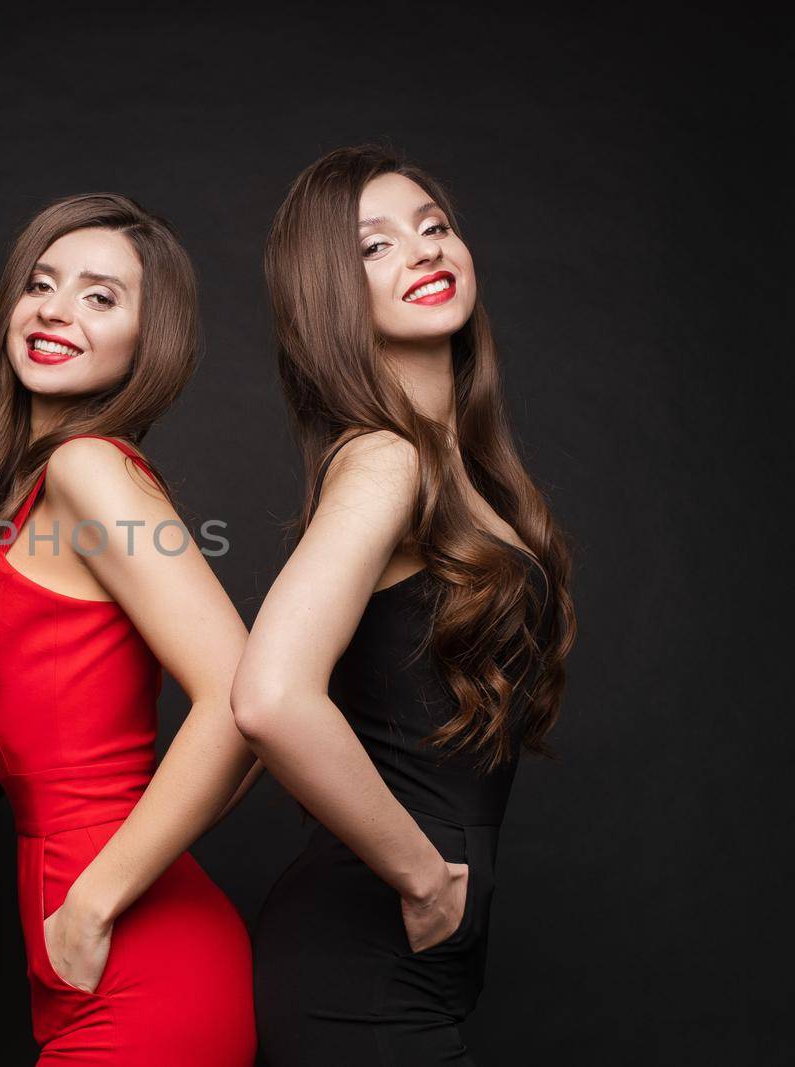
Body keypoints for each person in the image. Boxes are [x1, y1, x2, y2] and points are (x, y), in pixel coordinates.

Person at [232, 145, 578, 1064]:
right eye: (374, 247)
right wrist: (422, 877)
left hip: (409, 977)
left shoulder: (459, 467)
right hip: (360, 969)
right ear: (328, 299)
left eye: (433, 227)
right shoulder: (386, 460)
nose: (424, 251)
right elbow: (268, 697)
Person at [0, 193, 260, 1065]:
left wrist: (97, 899)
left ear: (150, 341)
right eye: (41, 284)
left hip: (137, 953)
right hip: (76, 951)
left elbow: (247, 703)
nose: (56, 310)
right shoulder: (26, 493)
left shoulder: (88, 469)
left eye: (101, 296)